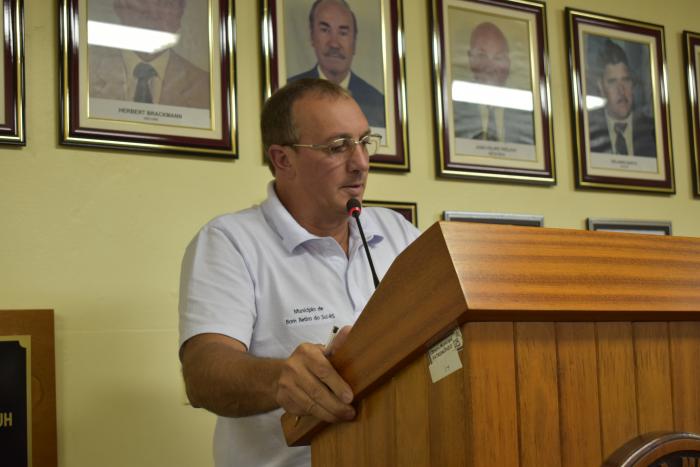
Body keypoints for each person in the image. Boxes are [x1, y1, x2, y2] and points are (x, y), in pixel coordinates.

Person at [178, 78, 419, 467]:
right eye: (337, 147)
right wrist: (281, 379)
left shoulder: (397, 232)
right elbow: (203, 374)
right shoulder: (231, 241)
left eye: (364, 142)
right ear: (283, 159)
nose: (360, 162)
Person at [89, 0, 210, 109]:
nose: (153, 13)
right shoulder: (85, 72)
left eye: (165, 3)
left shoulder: (206, 87)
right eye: (142, 1)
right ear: (119, 7)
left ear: (180, 13)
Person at [287, 0, 386, 128]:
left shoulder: (377, 102)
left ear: (354, 42)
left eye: (343, 33)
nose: (334, 44)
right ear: (312, 36)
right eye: (325, 30)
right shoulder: (289, 93)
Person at [453, 22, 534, 145]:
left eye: (498, 57)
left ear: (509, 62)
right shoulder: (452, 109)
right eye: (481, 56)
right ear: (470, 59)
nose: (490, 66)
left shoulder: (528, 113)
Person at [588, 39, 656, 157]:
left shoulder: (651, 131)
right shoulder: (590, 132)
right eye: (612, 82)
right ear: (601, 87)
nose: (621, 90)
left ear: (632, 84)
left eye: (626, 80)